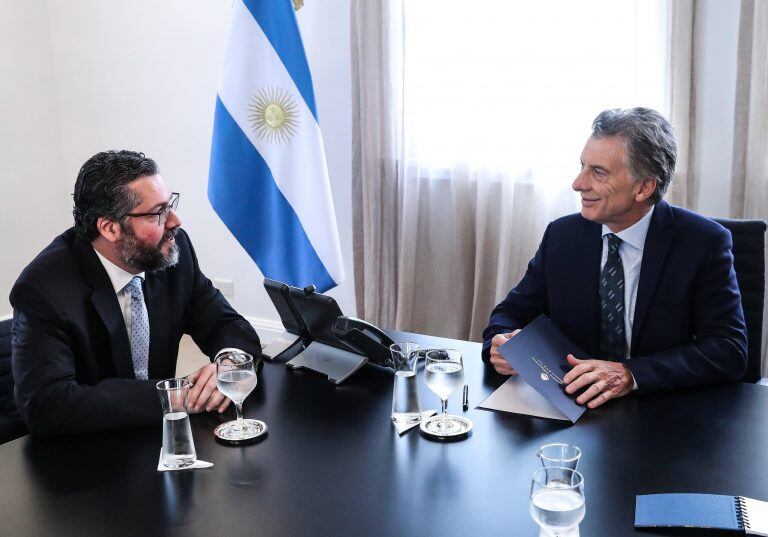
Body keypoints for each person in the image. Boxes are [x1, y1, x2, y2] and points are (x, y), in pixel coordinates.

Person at [482, 108, 747, 409]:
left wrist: (630, 374)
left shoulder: (703, 242)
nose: (578, 183)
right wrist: (500, 344)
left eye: (598, 172)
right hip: (576, 410)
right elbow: (510, 313)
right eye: (582, 166)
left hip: (663, 415)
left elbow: (729, 350)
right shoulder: (563, 236)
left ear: (644, 187)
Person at [11, 150, 262, 436]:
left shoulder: (170, 253)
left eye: (170, 205)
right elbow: (47, 405)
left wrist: (229, 364)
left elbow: (227, 324)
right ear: (109, 228)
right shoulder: (44, 288)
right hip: (86, 452)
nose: (175, 222)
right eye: (158, 213)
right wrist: (177, 396)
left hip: (159, 439)